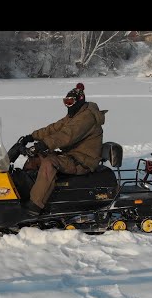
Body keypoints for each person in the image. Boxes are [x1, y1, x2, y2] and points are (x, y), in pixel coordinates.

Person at [18, 83, 108, 216]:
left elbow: (66, 135)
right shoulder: (76, 114)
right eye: (65, 101)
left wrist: (42, 145)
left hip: (83, 161)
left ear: (79, 101)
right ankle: (23, 190)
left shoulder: (86, 118)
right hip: (72, 156)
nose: (67, 105)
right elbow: (55, 128)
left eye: (70, 102)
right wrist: (31, 136)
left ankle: (35, 205)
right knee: (36, 157)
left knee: (49, 162)